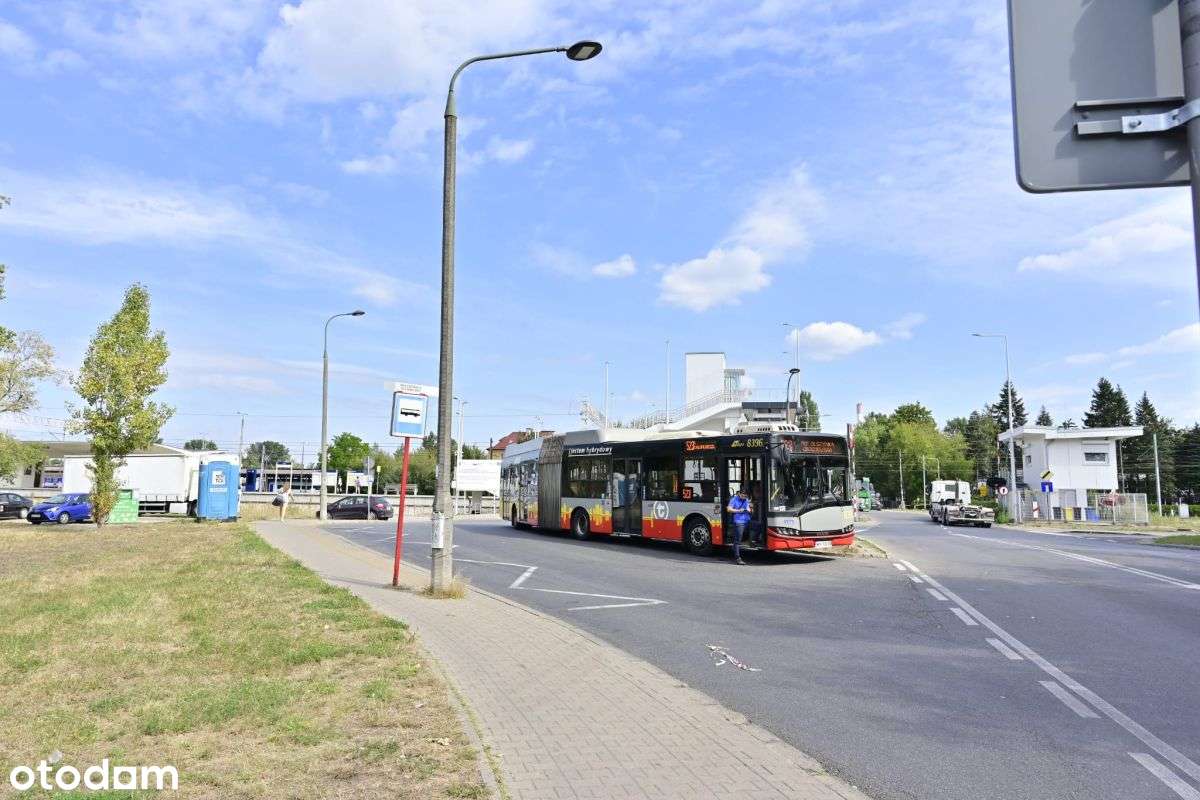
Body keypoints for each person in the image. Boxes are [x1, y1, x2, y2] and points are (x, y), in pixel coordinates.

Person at [726, 487, 752, 565]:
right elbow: (729, 509)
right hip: (738, 521)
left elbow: (748, 507)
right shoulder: (734, 499)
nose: (744, 498)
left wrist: (749, 509)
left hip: (747, 520)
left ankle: (750, 542)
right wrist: (738, 511)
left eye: (745, 496)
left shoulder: (746, 500)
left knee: (757, 526)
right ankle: (737, 558)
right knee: (738, 540)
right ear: (740, 494)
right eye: (743, 496)